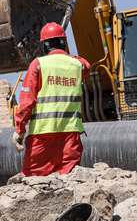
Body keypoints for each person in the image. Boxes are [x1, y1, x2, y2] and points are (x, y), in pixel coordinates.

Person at [12, 23, 90, 177]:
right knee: (69, 182)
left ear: (43, 45)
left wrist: (19, 130)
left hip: (43, 136)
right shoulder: (79, 65)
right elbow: (85, 64)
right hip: (70, 135)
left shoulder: (38, 65)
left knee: (33, 182)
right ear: (64, 41)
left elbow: (27, 103)